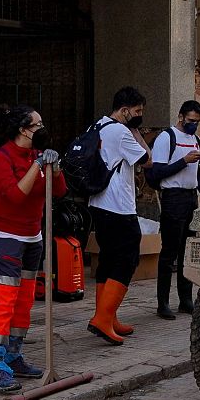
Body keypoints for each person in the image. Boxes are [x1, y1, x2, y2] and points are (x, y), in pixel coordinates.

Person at [0, 105, 65, 392]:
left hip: (32, 235)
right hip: (4, 235)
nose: (43, 129)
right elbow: (16, 195)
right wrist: (38, 166)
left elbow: (59, 191)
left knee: (25, 300)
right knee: (4, 299)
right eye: (37, 125)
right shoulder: (1, 157)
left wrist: (55, 165)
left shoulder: (35, 155)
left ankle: (14, 355)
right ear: (22, 129)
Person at [86, 87, 151, 345]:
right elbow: (148, 160)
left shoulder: (98, 126)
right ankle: (103, 319)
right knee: (126, 260)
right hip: (119, 207)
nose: (139, 116)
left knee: (108, 260)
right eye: (137, 111)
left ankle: (106, 315)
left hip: (98, 203)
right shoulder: (122, 132)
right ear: (124, 110)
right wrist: (137, 135)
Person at [148, 100, 200, 319]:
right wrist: (184, 161)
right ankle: (162, 303)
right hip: (173, 197)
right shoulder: (167, 137)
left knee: (187, 252)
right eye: (191, 121)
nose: (194, 125)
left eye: (197, 122)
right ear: (181, 117)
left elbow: (199, 172)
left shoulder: (196, 139)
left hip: (191, 197)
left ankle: (185, 299)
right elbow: (158, 172)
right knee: (169, 252)